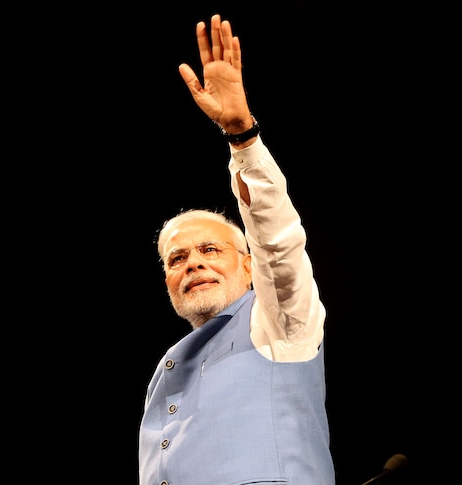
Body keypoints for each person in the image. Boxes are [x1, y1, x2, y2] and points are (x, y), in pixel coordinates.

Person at [138, 13, 336, 485]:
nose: (194, 263)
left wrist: (242, 136)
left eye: (210, 249)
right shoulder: (162, 376)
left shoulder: (280, 323)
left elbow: (278, 241)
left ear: (248, 266)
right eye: (177, 259)